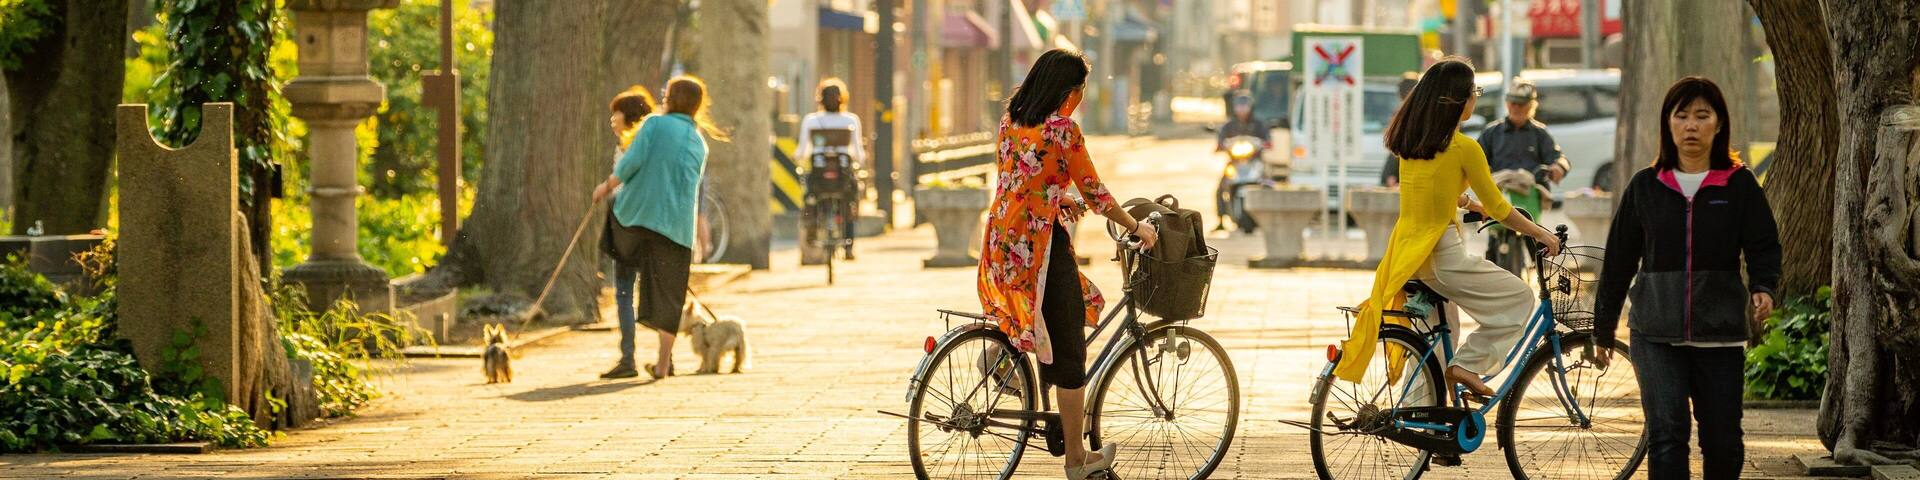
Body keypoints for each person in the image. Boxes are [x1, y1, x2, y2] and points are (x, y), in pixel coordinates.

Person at [1332, 58, 1561, 399]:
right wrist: (1541, 233)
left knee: (1440, 341)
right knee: (1518, 298)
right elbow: (1501, 207)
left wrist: (1469, 204)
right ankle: (1469, 365)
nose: (1475, 98)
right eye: (1474, 92)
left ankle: (1425, 425)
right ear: (1459, 100)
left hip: (1407, 254)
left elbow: (1434, 190)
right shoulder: (1464, 148)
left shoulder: (1414, 145)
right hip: (1442, 256)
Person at [978, 48, 1158, 480]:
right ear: (1067, 91)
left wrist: (1060, 201)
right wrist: (1138, 226)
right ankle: (1077, 460)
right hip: (1039, 247)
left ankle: (1005, 358)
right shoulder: (1063, 131)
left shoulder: (1011, 122)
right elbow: (1097, 191)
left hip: (1003, 240)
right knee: (1070, 344)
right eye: (1079, 90)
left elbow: (1023, 180)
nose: (1079, 98)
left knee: (1048, 317)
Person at [1592, 76, 1780, 480]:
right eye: (1682, 116)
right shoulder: (1646, 186)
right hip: (1656, 333)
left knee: (1723, 441)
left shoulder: (1739, 184)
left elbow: (1764, 245)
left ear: (1718, 123)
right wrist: (1603, 329)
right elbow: (1619, 261)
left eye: (1702, 115)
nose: (1691, 125)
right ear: (1668, 124)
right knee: (1667, 435)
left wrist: (1764, 286)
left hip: (1721, 333)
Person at [591, 76, 730, 380]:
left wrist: (606, 186)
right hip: (677, 228)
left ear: (671, 99)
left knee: (625, 284)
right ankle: (664, 363)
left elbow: (631, 163)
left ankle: (627, 356)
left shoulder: (654, 125)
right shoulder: (698, 142)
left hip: (637, 218)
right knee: (669, 294)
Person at [796, 78, 866, 260]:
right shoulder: (851, 120)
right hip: (843, 174)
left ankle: (811, 226)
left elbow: (802, 151)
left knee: (809, 196)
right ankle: (849, 245)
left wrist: (796, 158)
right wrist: (861, 161)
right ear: (842, 99)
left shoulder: (811, 120)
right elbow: (859, 152)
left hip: (819, 174)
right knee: (850, 199)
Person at [1214, 91, 1272, 231]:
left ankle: (1270, 216)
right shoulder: (1229, 125)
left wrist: (1266, 144)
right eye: (1239, 106)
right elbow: (1220, 141)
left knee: (1269, 184)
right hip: (1235, 163)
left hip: (1254, 162)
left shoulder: (1258, 124)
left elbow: (1268, 140)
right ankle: (1221, 220)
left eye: (1244, 106)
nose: (1242, 110)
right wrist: (1220, 146)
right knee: (1221, 188)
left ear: (1250, 107)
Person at [1380, 72, 1421, 187]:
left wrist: (1390, 175)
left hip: (1402, 165)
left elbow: (1395, 143)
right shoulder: (1419, 111)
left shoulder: (1401, 112)